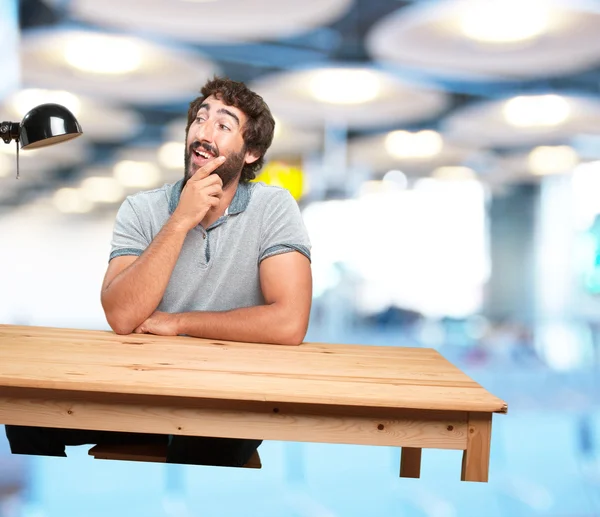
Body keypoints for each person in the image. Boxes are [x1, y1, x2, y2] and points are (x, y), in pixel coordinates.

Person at [5, 77, 313, 466]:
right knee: (28, 419)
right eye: (199, 121)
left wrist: (180, 321)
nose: (203, 133)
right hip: (142, 387)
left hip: (225, 395)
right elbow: (121, 315)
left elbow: (289, 323)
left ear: (250, 152)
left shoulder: (273, 207)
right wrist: (180, 220)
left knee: (207, 443)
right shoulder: (142, 209)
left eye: (223, 125)